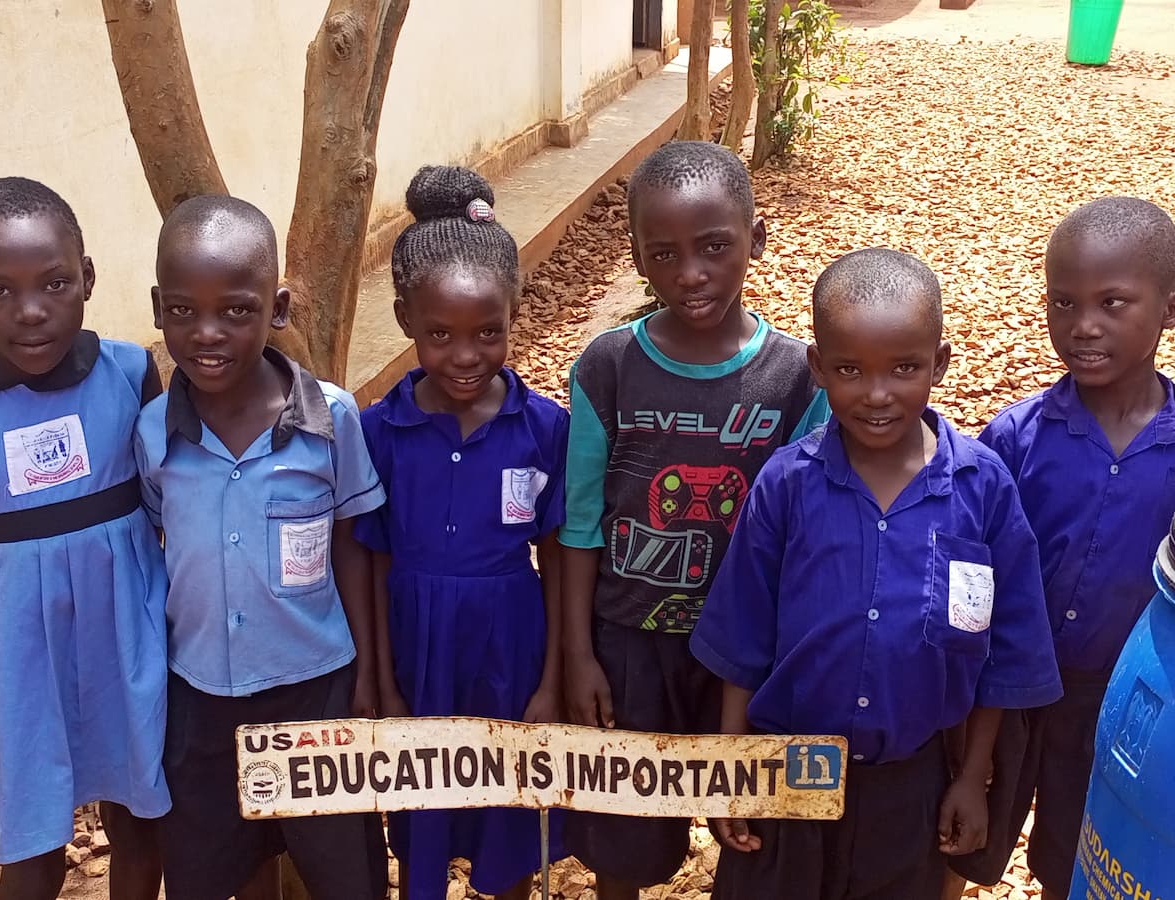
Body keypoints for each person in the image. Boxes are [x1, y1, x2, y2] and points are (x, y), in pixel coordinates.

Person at [691, 248, 1062, 900]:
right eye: (850, 371)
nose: (879, 394)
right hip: (790, 767)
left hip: (909, 779)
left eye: (905, 368)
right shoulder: (787, 485)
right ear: (817, 368)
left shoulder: (982, 490)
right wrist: (733, 771)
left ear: (939, 364)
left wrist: (972, 779)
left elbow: (1005, 653)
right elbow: (740, 639)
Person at [560, 140, 830, 900]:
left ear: (758, 238)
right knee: (627, 833)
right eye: (664, 253)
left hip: (744, 651)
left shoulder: (793, 378)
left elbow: (802, 531)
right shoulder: (607, 367)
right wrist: (578, 655)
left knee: (748, 824)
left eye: (715, 247)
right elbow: (580, 527)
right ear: (638, 258)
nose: (691, 273)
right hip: (627, 644)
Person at [0, 177, 168, 900]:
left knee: (140, 819)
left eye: (54, 283)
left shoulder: (130, 373)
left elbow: (161, 499)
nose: (30, 312)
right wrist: (3, 620)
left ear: (87, 276)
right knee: (34, 838)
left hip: (127, 642)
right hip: (20, 659)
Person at [968, 197, 1175, 900]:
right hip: (1007, 685)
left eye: (1113, 303)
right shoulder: (1016, 439)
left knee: (1079, 851)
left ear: (1171, 310)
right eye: (1063, 302)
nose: (1083, 326)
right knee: (964, 832)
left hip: (1121, 695)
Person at [134, 194, 388, 900]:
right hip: (201, 696)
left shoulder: (331, 420)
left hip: (317, 686)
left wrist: (368, 671)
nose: (207, 332)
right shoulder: (153, 433)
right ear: (158, 308)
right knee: (213, 865)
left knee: (345, 869)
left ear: (276, 309)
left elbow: (353, 547)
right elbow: (159, 545)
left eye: (236, 310)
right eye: (183, 310)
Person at [356, 165, 570, 900]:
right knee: (425, 817)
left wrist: (554, 681)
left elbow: (558, 552)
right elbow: (373, 557)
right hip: (417, 649)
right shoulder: (378, 431)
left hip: (509, 648)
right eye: (440, 334)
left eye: (488, 332)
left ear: (514, 314)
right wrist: (381, 680)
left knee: (505, 821)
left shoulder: (542, 429)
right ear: (405, 320)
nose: (465, 355)